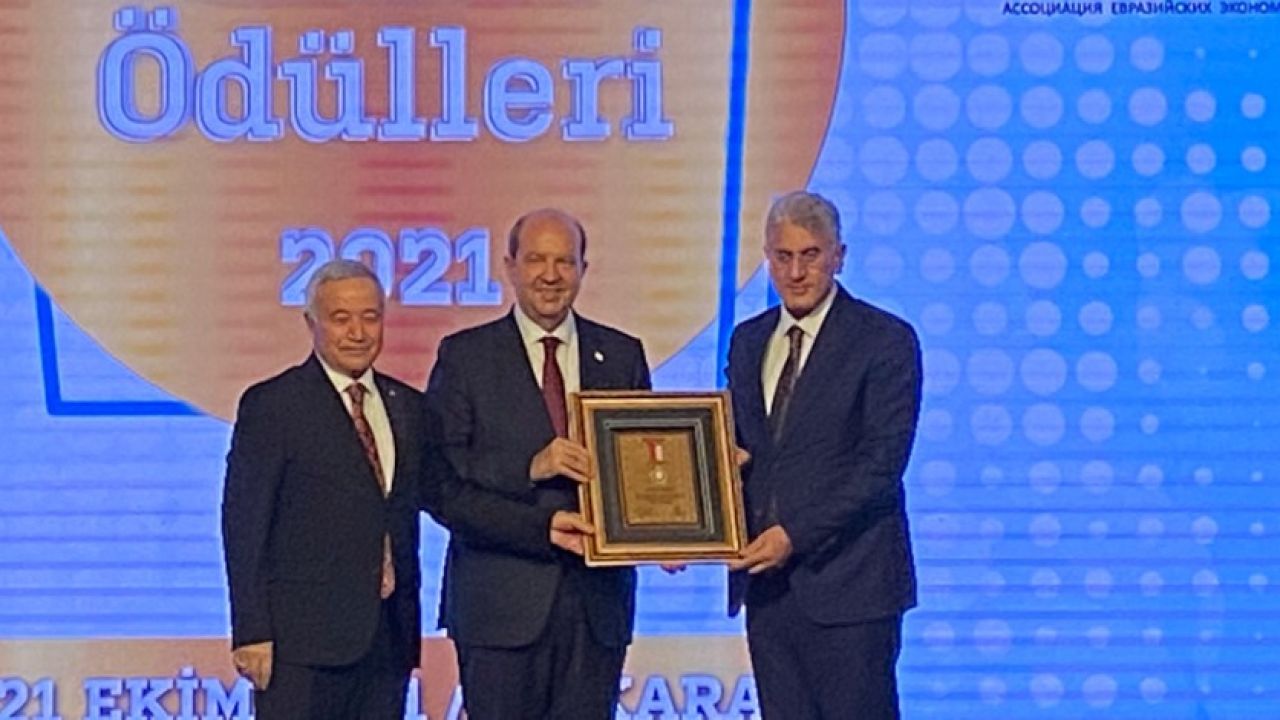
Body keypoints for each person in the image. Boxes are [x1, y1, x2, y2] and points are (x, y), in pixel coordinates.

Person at [423, 208, 651, 720]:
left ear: (583, 269)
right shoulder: (466, 357)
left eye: (564, 261)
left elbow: (639, 469)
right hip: (499, 608)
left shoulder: (621, 355)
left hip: (596, 609)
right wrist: (530, 467)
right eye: (536, 260)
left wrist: (666, 530)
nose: (551, 275)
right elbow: (441, 486)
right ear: (509, 266)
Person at [725, 191, 922, 719]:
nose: (796, 272)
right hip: (769, 593)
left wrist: (794, 535)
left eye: (810, 255)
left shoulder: (883, 340)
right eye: (783, 256)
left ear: (839, 256)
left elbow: (881, 465)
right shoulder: (748, 341)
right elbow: (736, 451)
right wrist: (683, 529)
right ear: (767, 259)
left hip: (852, 588)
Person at [220, 259, 425, 719]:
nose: (358, 332)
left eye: (370, 317)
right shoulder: (274, 405)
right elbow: (244, 523)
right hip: (301, 648)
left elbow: (441, 495)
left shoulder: (408, 407)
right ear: (311, 323)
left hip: (386, 642)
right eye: (341, 318)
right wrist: (251, 630)